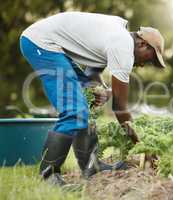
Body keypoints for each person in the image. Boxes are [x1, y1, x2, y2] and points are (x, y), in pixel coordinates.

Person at [20, 11, 165, 185]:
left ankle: (91, 166)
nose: (142, 65)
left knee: (84, 101)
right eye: (149, 59)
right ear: (143, 44)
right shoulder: (123, 46)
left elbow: (92, 73)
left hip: (49, 43)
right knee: (74, 110)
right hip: (42, 43)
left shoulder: (117, 35)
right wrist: (143, 148)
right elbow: (120, 109)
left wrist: (100, 89)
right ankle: (48, 176)